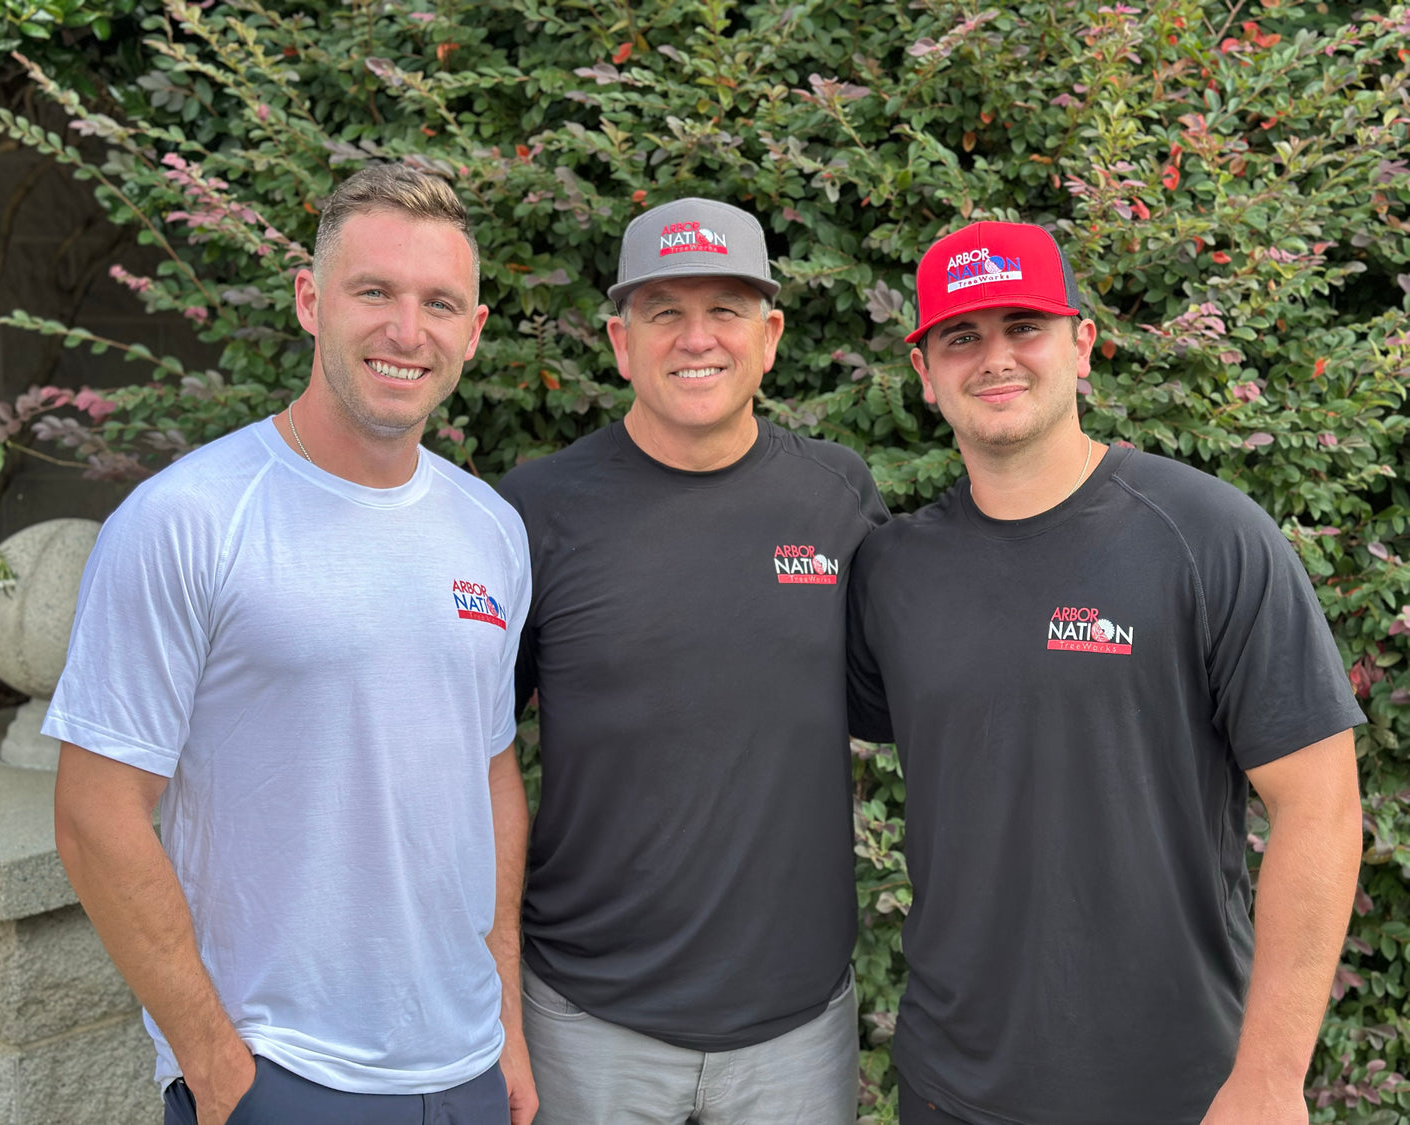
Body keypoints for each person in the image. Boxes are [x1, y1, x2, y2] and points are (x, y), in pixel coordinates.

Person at [48, 165, 537, 1125]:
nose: (408, 330)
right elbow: (95, 811)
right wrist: (216, 1065)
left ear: (473, 332)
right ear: (311, 301)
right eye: (375, 292)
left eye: (440, 302)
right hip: (283, 1075)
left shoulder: (491, 529)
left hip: (467, 1067)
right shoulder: (189, 520)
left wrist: (507, 1017)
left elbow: (490, 774)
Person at [847, 220, 1365, 1125]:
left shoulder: (1208, 538)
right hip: (952, 1088)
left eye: (1024, 327)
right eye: (961, 336)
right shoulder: (893, 572)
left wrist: (1271, 1076)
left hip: (1179, 1088)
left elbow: (1321, 807)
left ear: (1082, 346)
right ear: (924, 373)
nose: (995, 358)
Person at [496, 197, 889, 1124]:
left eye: (726, 308)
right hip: (587, 1018)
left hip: (796, 1027)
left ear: (772, 334)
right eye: (664, 309)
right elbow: (475, 763)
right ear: (620, 340)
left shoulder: (837, 497)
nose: (695, 337)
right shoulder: (535, 511)